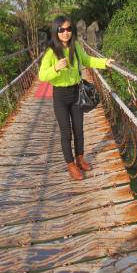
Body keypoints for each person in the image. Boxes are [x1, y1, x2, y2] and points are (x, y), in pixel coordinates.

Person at [38, 16, 114, 180]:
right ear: (56, 31)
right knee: (66, 133)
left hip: (76, 93)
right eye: (61, 30)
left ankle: (80, 158)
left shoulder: (76, 46)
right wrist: (56, 68)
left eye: (68, 29)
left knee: (79, 129)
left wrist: (105, 62)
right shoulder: (51, 51)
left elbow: (87, 60)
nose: (65, 33)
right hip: (60, 96)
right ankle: (70, 164)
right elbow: (42, 75)